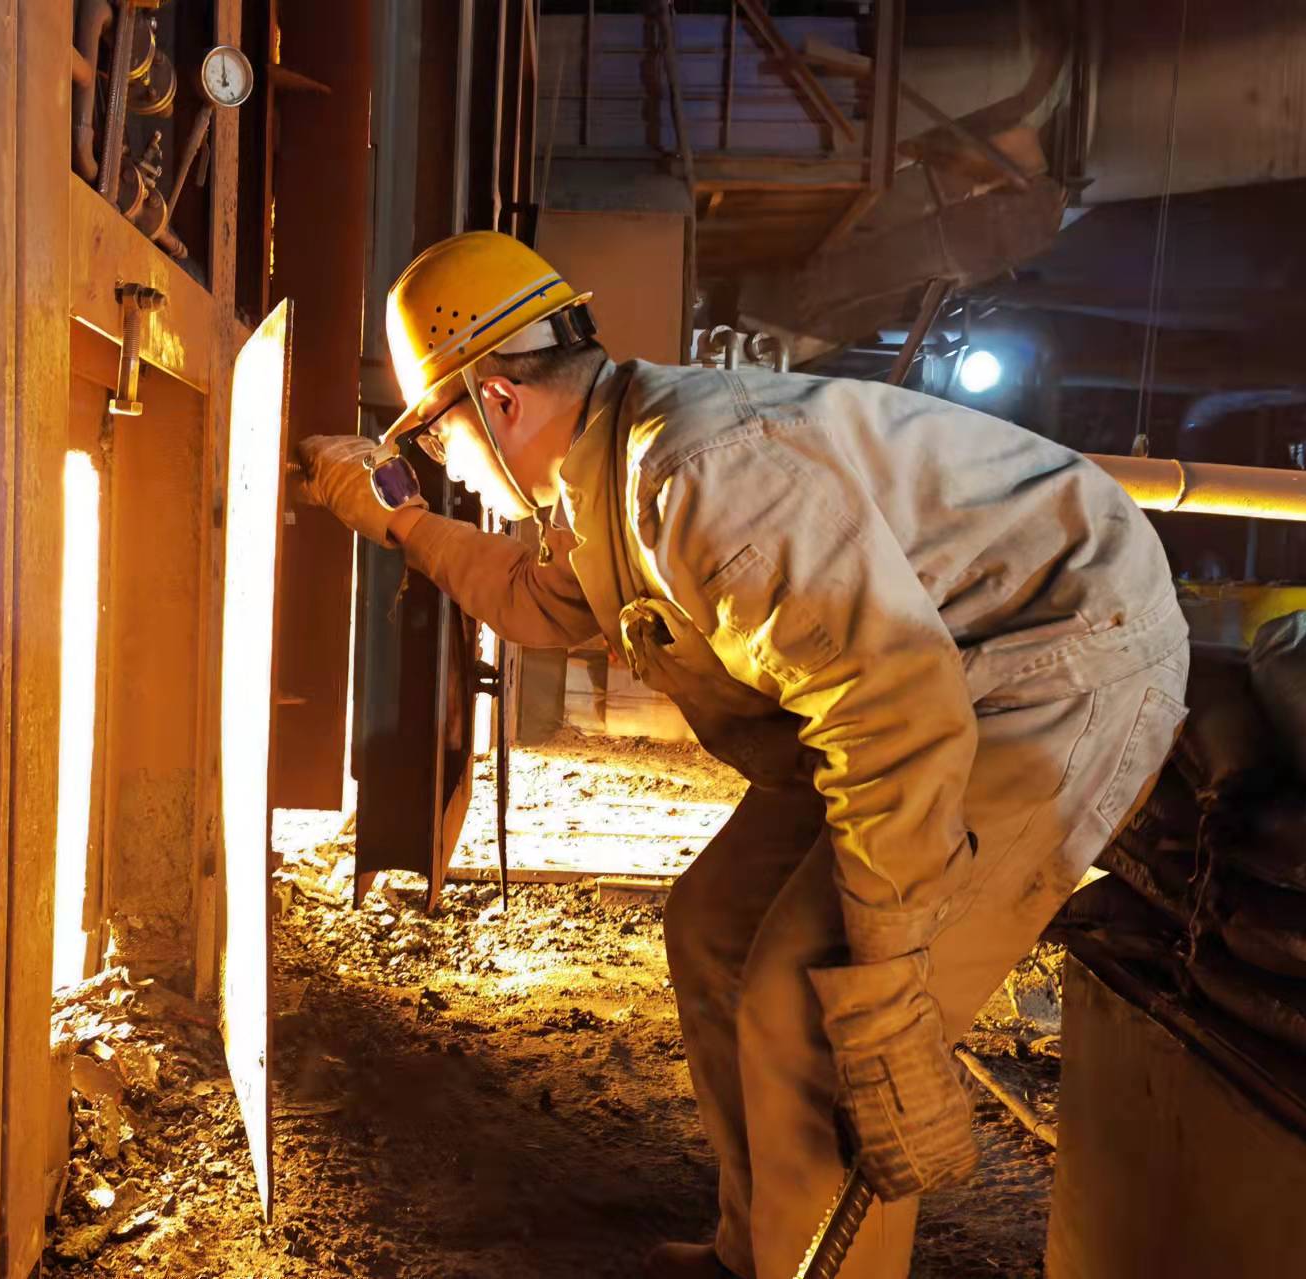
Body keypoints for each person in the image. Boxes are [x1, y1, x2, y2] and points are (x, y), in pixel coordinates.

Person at [297, 231, 1188, 1279]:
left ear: (494, 402)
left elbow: (891, 708)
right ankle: (752, 1253)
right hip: (932, 674)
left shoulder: (696, 473)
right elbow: (543, 599)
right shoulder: (602, 464)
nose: (446, 470)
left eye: (437, 443)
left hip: (1050, 664)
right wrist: (398, 523)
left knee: (812, 1002)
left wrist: (889, 967)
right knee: (716, 931)